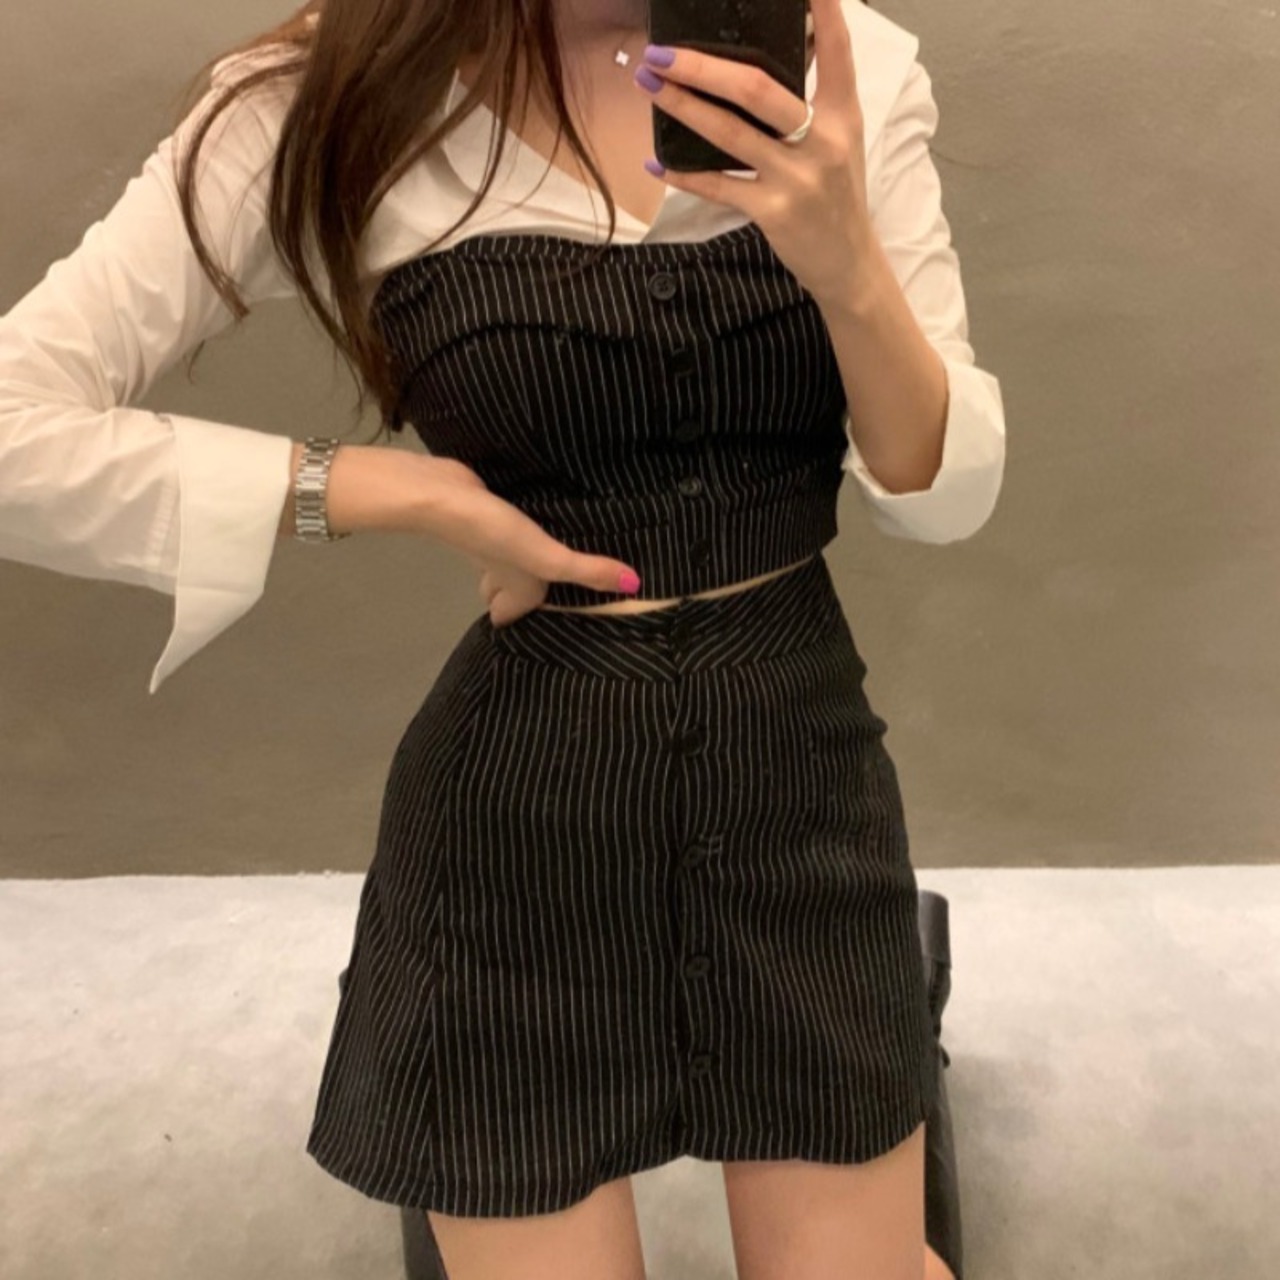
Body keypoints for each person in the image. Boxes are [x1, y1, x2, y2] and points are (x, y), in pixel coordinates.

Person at [0, 0, 1003, 1276]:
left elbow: (940, 497)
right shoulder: (325, 95)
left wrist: (843, 259)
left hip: (799, 783)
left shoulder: (841, 61)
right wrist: (379, 488)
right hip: (517, 822)